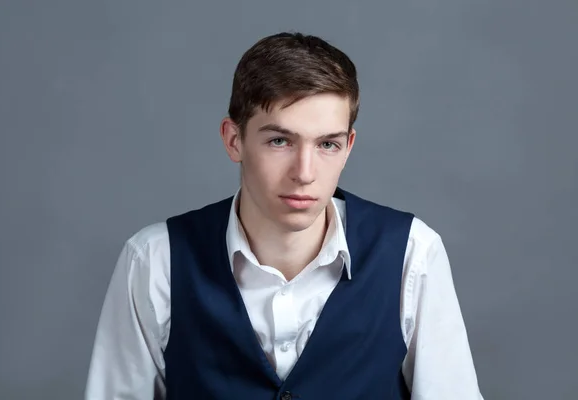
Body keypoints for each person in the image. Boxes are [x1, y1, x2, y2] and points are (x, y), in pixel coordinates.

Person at [84, 32, 483, 399]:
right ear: (233, 139)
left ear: (348, 147)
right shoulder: (156, 260)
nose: (304, 172)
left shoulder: (412, 253)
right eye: (279, 141)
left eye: (327, 144)